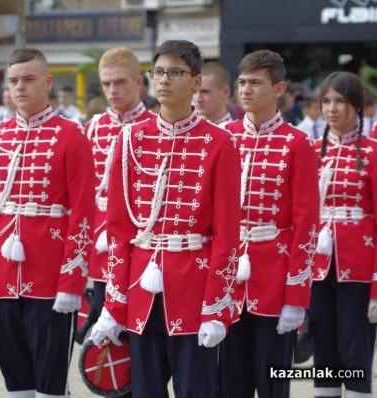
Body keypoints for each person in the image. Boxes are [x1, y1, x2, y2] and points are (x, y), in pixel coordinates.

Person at [89, 40, 241, 398]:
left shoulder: (219, 142)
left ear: (195, 81)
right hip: (140, 289)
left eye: (175, 72)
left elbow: (226, 235)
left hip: (194, 287)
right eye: (158, 72)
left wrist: (216, 307)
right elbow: (119, 231)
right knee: (144, 390)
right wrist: (113, 305)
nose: (164, 80)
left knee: (196, 390)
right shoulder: (130, 139)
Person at [0, 47, 95, 397]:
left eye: (29, 79)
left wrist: (72, 280)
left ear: (48, 82)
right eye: (14, 80)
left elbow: (82, 213)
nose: (20, 87)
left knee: (50, 380)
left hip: (50, 276)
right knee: (15, 378)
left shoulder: (71, 135)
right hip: (1, 275)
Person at [221, 50, 320, 398]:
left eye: (256, 83)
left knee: (272, 380)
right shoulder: (224, 137)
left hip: (275, 276)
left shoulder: (299, 143)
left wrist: (296, 297)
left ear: (279, 89)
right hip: (227, 276)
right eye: (242, 82)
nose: (245, 90)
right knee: (230, 381)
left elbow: (307, 223)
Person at [310, 71, 377, 398]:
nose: (332, 109)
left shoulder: (375, 153)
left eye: (340, 101)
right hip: (317, 267)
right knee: (324, 350)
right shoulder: (312, 152)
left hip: (359, 267)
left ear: (356, 106)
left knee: (355, 350)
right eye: (326, 101)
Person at [84, 46, 156, 326]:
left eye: (120, 82)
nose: (112, 90)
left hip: (142, 245)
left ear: (138, 82)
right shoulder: (91, 128)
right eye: (106, 83)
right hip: (102, 247)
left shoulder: (156, 126)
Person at [193, 60, 233, 125]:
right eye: (194, 91)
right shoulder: (185, 131)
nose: (198, 99)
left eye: (205, 92)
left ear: (225, 92)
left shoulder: (236, 134)